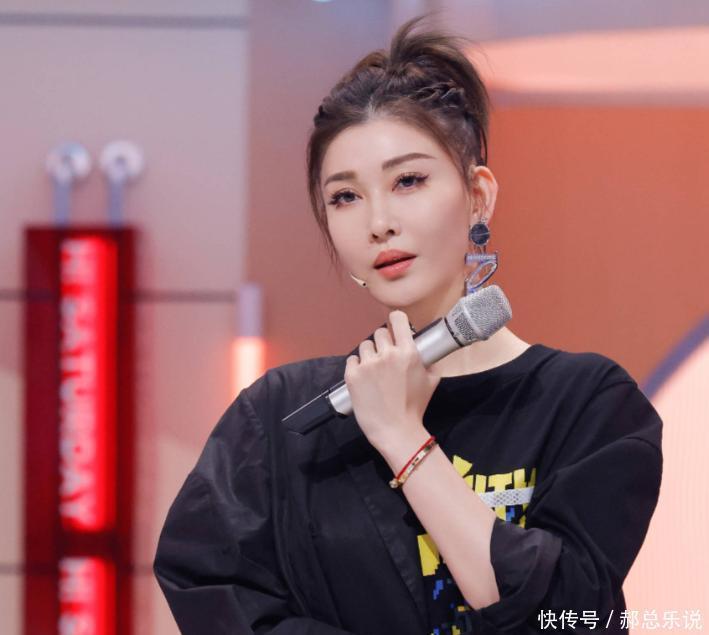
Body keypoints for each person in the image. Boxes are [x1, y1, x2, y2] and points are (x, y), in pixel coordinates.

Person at [153, 15, 663, 635]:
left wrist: (402, 436)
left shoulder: (586, 403)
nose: (378, 223)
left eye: (408, 181)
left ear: (478, 196)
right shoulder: (282, 420)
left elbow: (567, 615)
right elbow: (212, 589)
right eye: (345, 196)